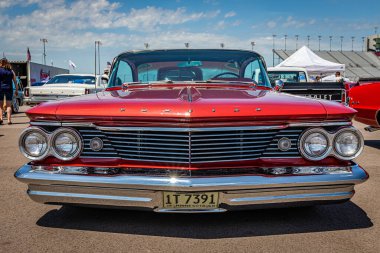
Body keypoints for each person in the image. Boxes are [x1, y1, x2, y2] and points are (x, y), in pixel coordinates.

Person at [0, 58, 18, 125]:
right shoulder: (11, 71)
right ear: (7, 63)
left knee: (0, 106)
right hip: (9, 89)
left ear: (1, 63)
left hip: (0, 89)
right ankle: (9, 120)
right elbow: (15, 82)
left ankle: (1, 119)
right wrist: (16, 90)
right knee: (9, 106)